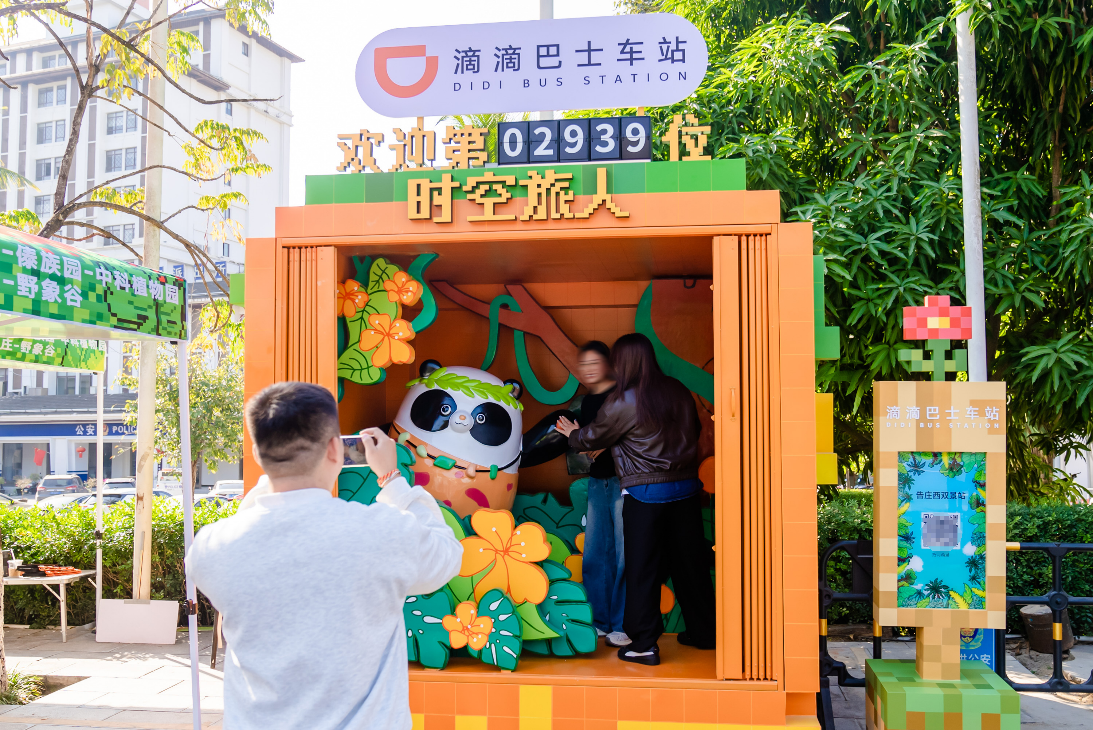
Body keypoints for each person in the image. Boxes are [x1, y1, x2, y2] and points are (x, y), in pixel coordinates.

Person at [186, 382, 463, 730]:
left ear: (257, 454)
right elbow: (447, 555)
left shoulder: (213, 548)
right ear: (335, 449)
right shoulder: (383, 533)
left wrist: (274, 477)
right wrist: (391, 478)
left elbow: (248, 525)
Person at [555, 333, 715, 666]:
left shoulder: (626, 398)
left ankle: (643, 644)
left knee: (642, 569)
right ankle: (704, 632)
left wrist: (572, 433)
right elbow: (695, 431)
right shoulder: (677, 390)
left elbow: (592, 436)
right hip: (686, 490)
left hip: (645, 494)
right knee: (690, 564)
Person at [573, 341, 629, 648]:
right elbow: (587, 443)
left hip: (623, 481)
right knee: (595, 553)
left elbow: (630, 434)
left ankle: (622, 624)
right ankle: (599, 623)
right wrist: (578, 437)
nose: (589, 369)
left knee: (623, 555)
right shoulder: (587, 402)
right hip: (598, 482)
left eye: (595, 362)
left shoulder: (622, 396)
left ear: (608, 364)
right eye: (584, 364)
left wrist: (600, 441)